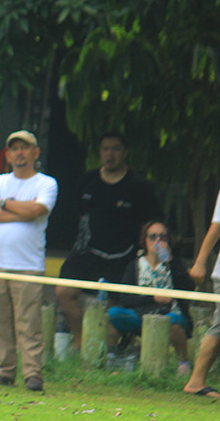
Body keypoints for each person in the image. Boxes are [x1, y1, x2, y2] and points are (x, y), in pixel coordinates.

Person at [56, 132, 162, 350]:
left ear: (124, 152)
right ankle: (79, 340)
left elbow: (153, 220)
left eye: (115, 149)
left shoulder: (139, 185)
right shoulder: (88, 180)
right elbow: (78, 212)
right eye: (105, 149)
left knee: (114, 308)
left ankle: (106, 355)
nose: (109, 154)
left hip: (122, 256)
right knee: (63, 292)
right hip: (86, 253)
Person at [0, 130, 58, 392]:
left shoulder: (46, 183)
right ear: (8, 154)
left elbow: (37, 210)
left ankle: (33, 374)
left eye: (25, 148)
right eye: (14, 149)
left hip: (28, 265)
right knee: (0, 322)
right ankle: (4, 372)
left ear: (35, 153)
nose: (19, 153)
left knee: (29, 323)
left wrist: (4, 204)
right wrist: (19, 211)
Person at [181, 147, 220, 398]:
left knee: (219, 328)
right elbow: (216, 227)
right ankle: (195, 381)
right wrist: (200, 262)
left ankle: (196, 381)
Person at [107, 221, 194, 376]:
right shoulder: (135, 265)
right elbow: (126, 298)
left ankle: (183, 364)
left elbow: (188, 288)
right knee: (114, 314)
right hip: (141, 314)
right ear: (145, 240)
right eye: (153, 236)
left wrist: (171, 261)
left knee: (174, 322)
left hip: (170, 315)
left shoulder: (174, 263)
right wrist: (153, 298)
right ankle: (113, 357)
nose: (158, 241)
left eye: (163, 237)